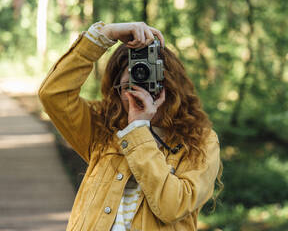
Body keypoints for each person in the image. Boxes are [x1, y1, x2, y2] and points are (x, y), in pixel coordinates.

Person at [38, 21, 223, 231]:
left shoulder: (201, 141)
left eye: (149, 81)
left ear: (171, 86)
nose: (140, 91)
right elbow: (53, 95)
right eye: (129, 85)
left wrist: (138, 130)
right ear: (117, 90)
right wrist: (104, 35)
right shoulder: (103, 128)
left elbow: (172, 207)